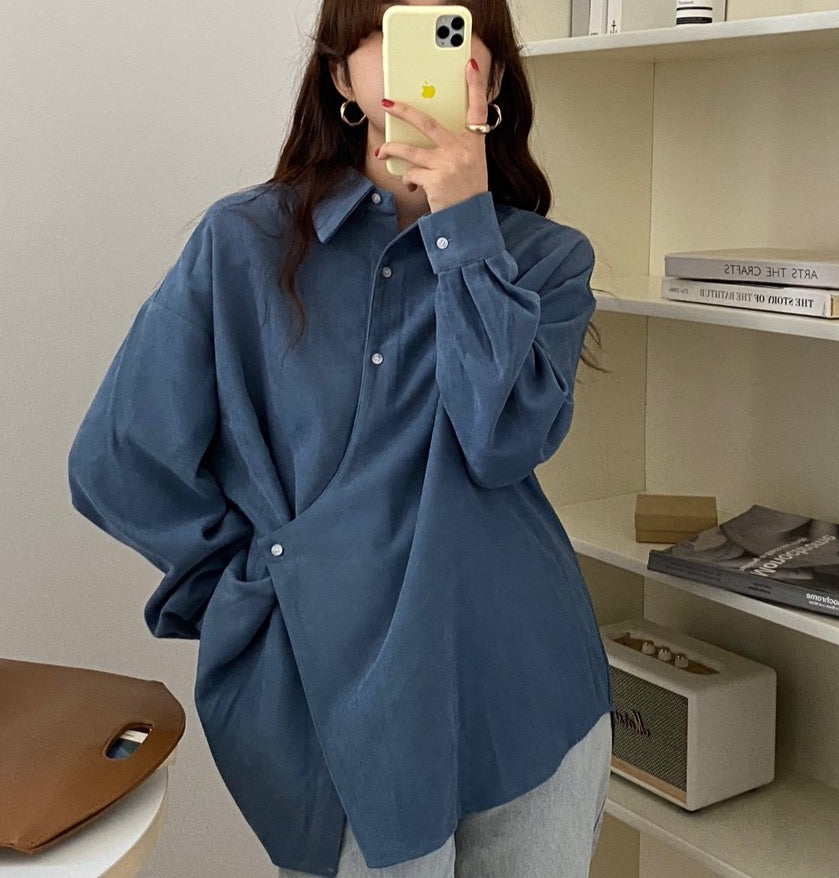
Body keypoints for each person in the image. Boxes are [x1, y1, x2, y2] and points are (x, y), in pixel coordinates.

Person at [66, 0, 614, 875]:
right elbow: (118, 461)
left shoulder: (546, 260)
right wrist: (254, 589)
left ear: (492, 79)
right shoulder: (244, 243)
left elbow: (501, 442)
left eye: (453, 32)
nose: (419, 59)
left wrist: (464, 226)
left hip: (526, 681)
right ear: (340, 77)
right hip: (338, 700)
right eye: (386, 31)